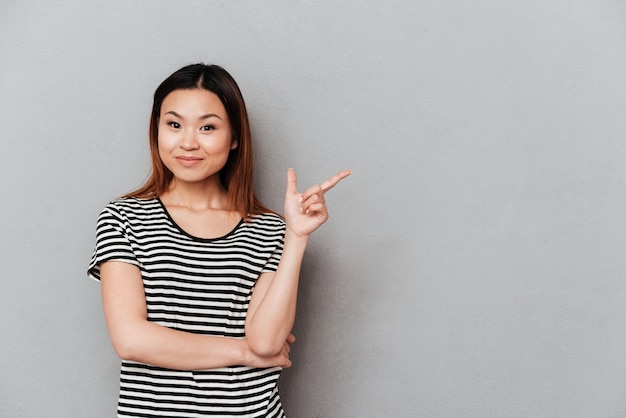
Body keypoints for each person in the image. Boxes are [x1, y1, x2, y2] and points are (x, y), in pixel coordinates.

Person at [87, 63, 350, 417]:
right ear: (157, 130)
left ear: (235, 138)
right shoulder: (124, 218)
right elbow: (131, 340)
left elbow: (267, 341)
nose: (189, 142)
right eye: (174, 124)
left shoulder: (269, 229)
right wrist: (243, 353)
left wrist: (297, 237)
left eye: (208, 127)